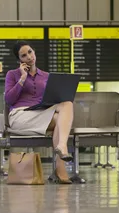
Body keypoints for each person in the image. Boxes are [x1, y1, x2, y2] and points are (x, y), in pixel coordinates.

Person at [5, 41, 74, 184]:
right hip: (20, 115)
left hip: (40, 113)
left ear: (34, 52)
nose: (29, 57)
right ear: (20, 61)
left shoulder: (46, 76)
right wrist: (22, 79)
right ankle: (61, 169)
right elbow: (9, 99)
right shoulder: (12, 74)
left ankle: (61, 148)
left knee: (67, 104)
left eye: (30, 52)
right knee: (59, 122)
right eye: (24, 56)